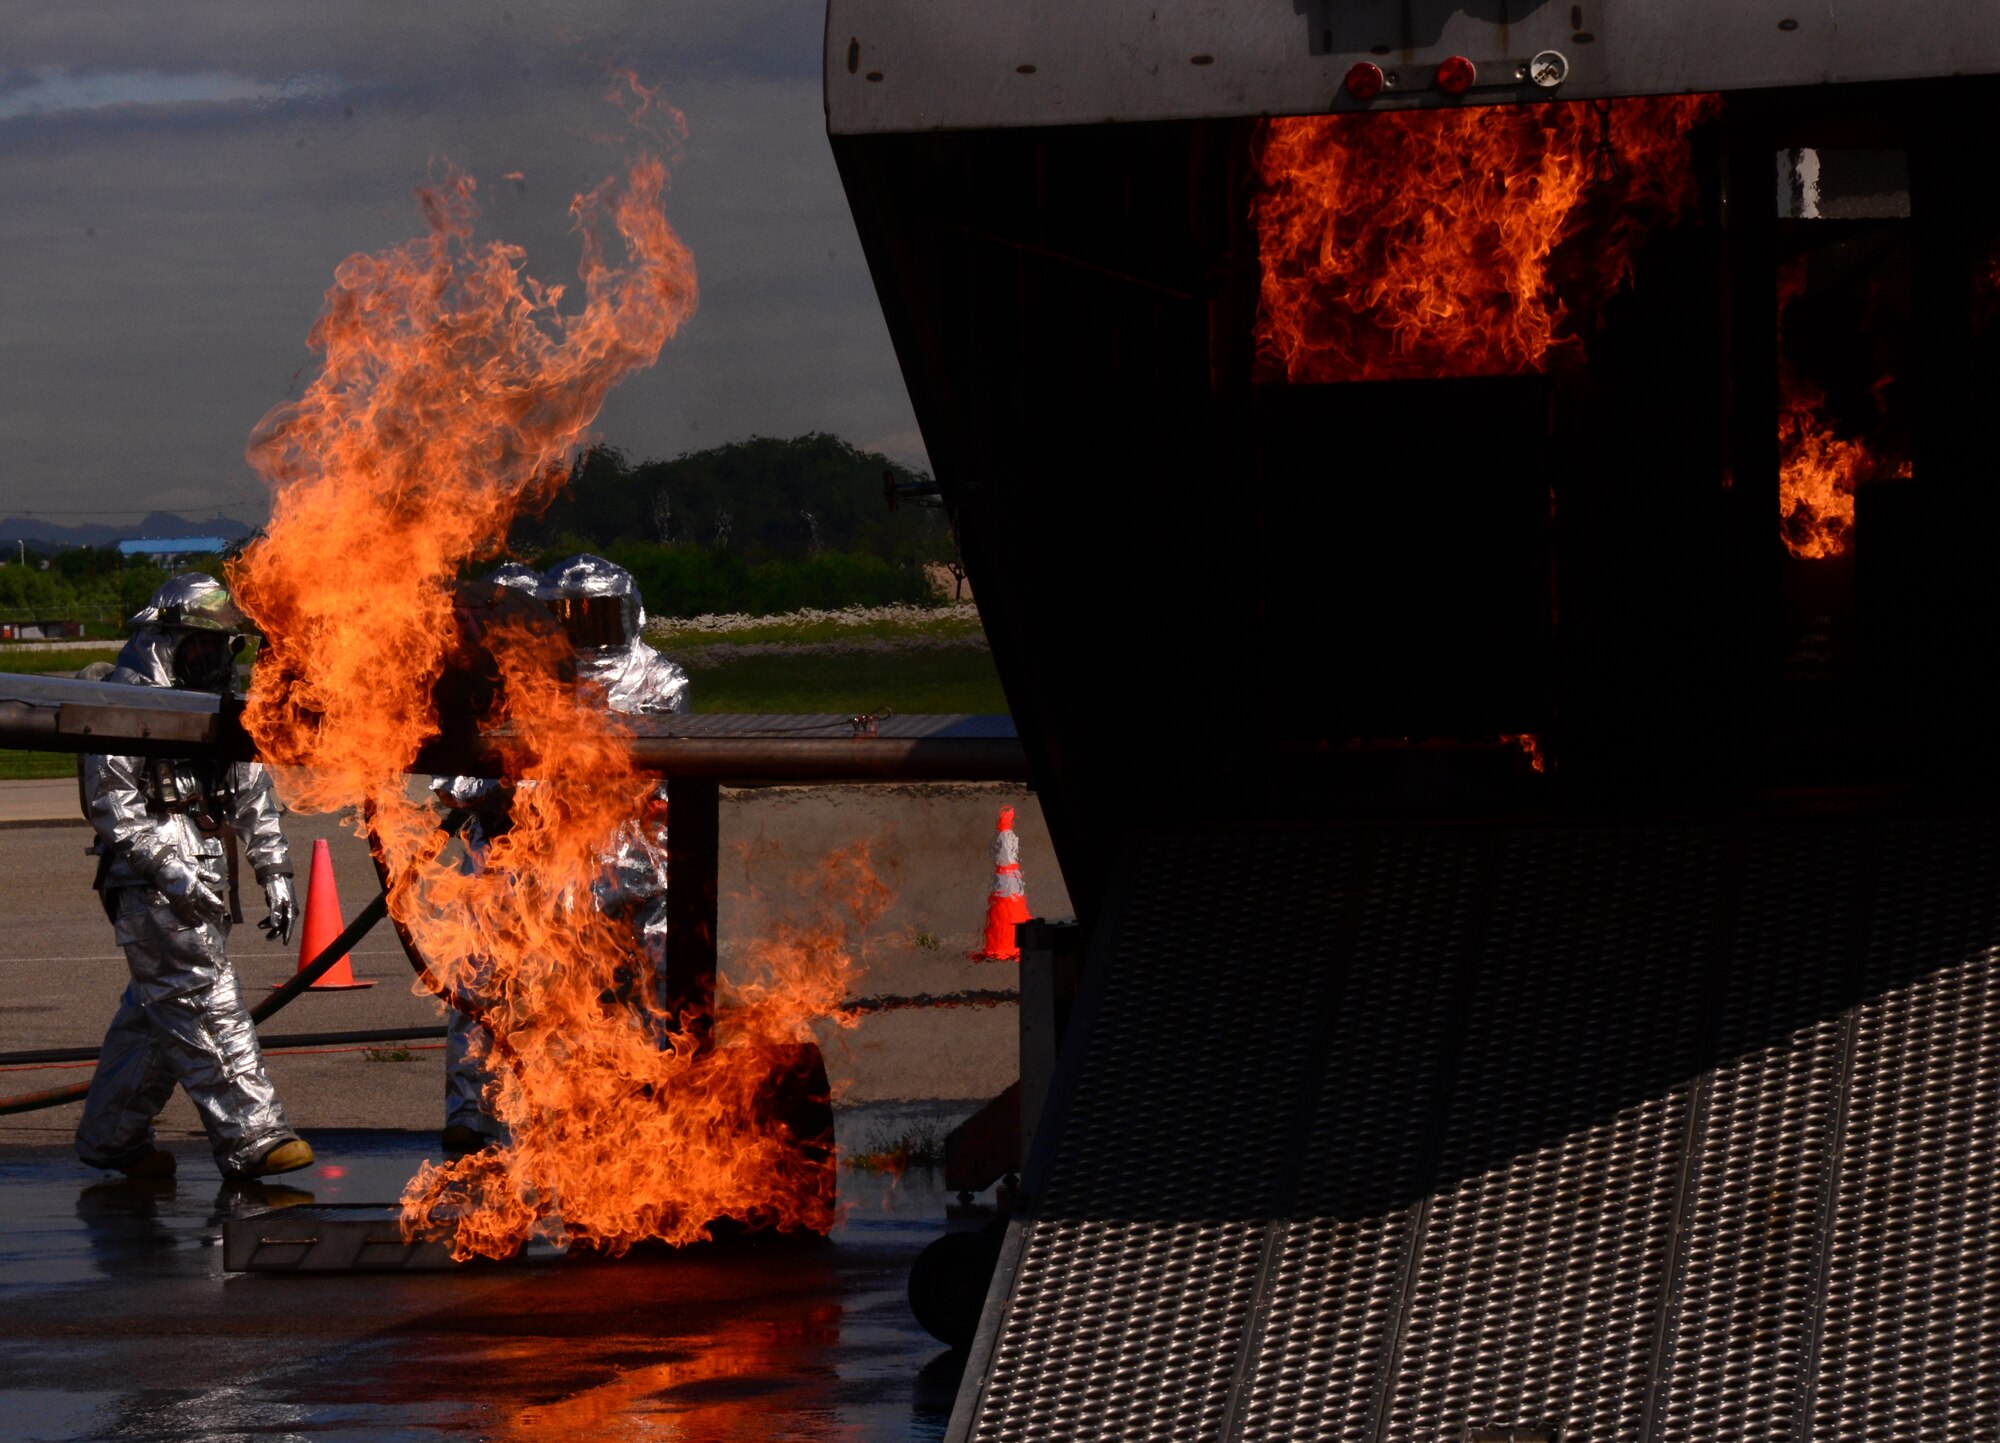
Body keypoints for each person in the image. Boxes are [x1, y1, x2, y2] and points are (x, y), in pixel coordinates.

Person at [435, 554, 690, 1157]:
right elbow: (466, 775)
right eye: (569, 616)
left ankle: (650, 1098)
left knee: (645, 984)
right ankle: (472, 1112)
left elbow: (669, 774)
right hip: (531, 856)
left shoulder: (659, 677)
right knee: (487, 982)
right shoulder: (524, 676)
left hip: (633, 856)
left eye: (597, 615)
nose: (584, 629)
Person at [74, 574, 311, 1182]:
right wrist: (173, 871)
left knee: (156, 1012)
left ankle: (111, 1136)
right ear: (166, 640)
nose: (215, 659)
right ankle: (253, 1134)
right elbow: (112, 807)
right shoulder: (123, 702)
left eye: (223, 648)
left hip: (205, 861)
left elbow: (252, 793)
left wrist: (275, 872)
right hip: (147, 876)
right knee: (206, 995)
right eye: (202, 646)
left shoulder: (213, 701)